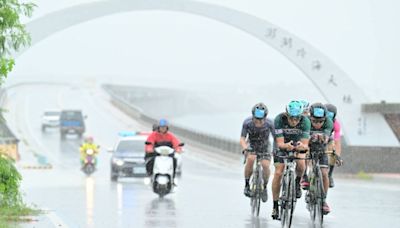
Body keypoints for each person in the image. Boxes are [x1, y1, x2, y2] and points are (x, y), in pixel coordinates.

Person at [271, 100, 310, 220]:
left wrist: (301, 146)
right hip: (282, 145)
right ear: (287, 115)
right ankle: (275, 206)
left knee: (301, 163)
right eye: (292, 118)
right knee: (278, 172)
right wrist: (286, 146)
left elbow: (305, 145)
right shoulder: (279, 119)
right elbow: (280, 143)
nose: (294, 121)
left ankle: (297, 182)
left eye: (297, 118)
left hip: (296, 144)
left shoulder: (305, 121)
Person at [302, 103, 333, 214]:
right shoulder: (305, 121)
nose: (318, 124)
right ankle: (304, 176)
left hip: (321, 147)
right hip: (307, 146)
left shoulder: (329, 122)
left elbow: (326, 138)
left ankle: (323, 200)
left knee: (324, 173)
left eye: (321, 121)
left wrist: (323, 137)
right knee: (304, 153)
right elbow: (302, 139)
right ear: (310, 117)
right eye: (314, 121)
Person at [240, 102, 275, 203]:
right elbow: (242, 138)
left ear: (265, 118)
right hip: (252, 145)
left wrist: (275, 149)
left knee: (265, 165)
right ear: (253, 116)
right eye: (256, 119)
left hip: (265, 146)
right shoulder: (247, 122)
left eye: (261, 120)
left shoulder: (270, 123)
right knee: (250, 159)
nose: (258, 122)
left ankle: (264, 187)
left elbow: (276, 138)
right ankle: (247, 185)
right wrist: (245, 148)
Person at [325, 103, 343, 188]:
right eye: (327, 114)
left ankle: (329, 175)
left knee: (333, 152)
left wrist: (337, 156)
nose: (328, 117)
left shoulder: (336, 124)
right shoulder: (316, 119)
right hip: (314, 138)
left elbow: (337, 141)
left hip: (328, 140)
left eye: (331, 115)